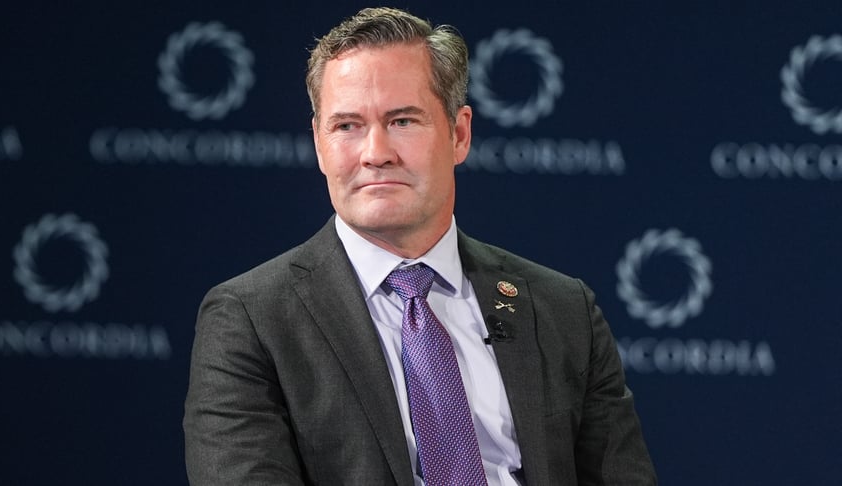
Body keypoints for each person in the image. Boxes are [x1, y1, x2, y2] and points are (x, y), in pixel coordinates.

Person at [184, 6, 656, 486]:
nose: (376, 153)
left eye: (403, 121)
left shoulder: (563, 310)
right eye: (346, 126)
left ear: (459, 134)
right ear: (319, 144)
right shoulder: (251, 320)